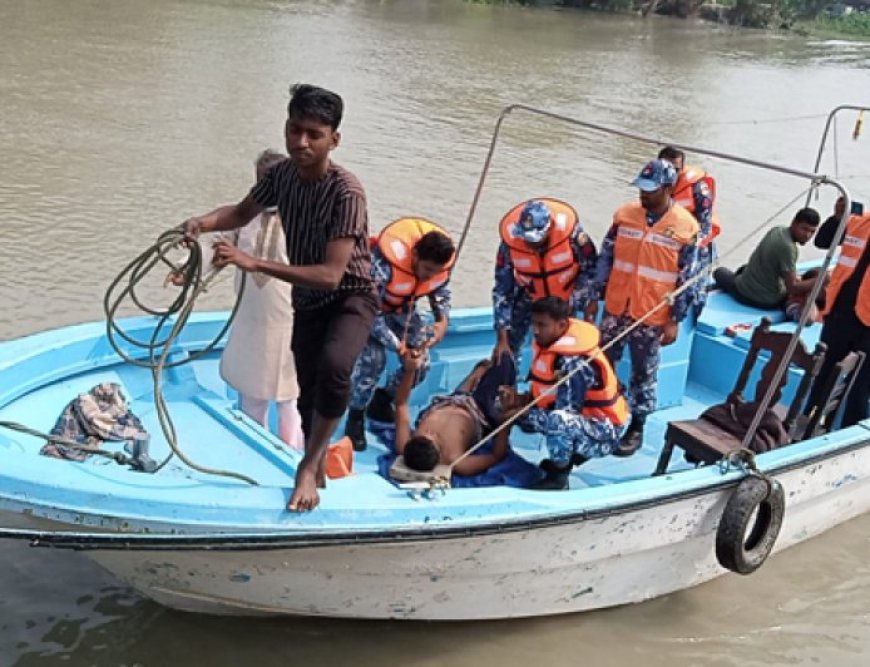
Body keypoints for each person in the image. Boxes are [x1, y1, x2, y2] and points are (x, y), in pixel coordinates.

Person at [182, 84, 378, 512]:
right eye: (294, 130)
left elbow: (330, 275)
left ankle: (308, 466)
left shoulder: (347, 192)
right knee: (306, 393)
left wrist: (254, 264)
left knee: (334, 368)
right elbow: (238, 213)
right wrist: (202, 221)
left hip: (350, 296)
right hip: (306, 299)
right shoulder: (280, 176)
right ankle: (316, 459)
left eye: (313, 134)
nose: (300, 142)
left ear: (334, 139)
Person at [587, 159, 700, 456]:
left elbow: (686, 279)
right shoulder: (625, 216)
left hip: (651, 314)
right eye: (641, 189)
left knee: (643, 373)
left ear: (666, 188)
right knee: (602, 363)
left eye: (650, 191)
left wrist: (674, 319)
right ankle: (600, 412)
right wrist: (592, 297)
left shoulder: (686, 228)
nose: (643, 196)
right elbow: (606, 259)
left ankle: (636, 425)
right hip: (616, 305)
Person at [216, 149, 304, 448]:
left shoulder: (306, 220)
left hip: (290, 320)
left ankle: (292, 454)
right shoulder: (243, 217)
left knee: (289, 397)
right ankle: (255, 449)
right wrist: (186, 271)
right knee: (251, 392)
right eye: (259, 184)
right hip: (250, 319)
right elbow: (218, 248)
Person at [345, 218, 455, 451]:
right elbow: (370, 314)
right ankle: (355, 414)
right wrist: (397, 346)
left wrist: (442, 322)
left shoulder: (436, 272)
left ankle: (384, 399)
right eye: (426, 269)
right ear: (414, 255)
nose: (428, 276)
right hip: (367, 313)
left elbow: (440, 292)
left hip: (402, 311)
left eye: (434, 272)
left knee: (420, 363)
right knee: (374, 361)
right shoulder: (382, 265)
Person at [501, 297, 630, 490]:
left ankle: (559, 476)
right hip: (583, 419)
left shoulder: (573, 364)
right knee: (515, 411)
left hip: (604, 428)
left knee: (558, 421)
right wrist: (519, 402)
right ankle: (563, 458)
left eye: (542, 325)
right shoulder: (550, 345)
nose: (535, 331)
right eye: (534, 324)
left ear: (562, 325)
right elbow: (546, 393)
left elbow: (566, 414)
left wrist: (522, 413)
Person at [492, 198, 597, 365]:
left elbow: (591, 269)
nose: (529, 244)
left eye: (534, 239)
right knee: (506, 351)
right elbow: (502, 289)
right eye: (526, 238)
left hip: (564, 299)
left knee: (562, 351)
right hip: (529, 294)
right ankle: (507, 384)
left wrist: (576, 301)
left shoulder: (573, 236)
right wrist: (501, 338)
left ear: (548, 229)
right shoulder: (509, 244)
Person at [394, 350, 515, 476]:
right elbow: (496, 456)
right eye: (435, 438)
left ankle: (475, 376)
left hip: (446, 402)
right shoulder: (458, 462)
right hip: (477, 411)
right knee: (505, 360)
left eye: (424, 434)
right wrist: (505, 422)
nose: (431, 432)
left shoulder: (404, 446)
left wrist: (410, 371)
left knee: (462, 392)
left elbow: (401, 404)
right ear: (440, 456)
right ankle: (477, 378)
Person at [808, 200, 870, 427]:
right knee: (822, 376)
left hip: (868, 327)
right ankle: (808, 425)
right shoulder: (860, 222)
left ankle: (850, 437)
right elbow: (823, 241)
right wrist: (837, 217)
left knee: (860, 387)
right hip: (840, 316)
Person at [713, 208, 821, 311]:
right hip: (764, 300)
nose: (807, 235)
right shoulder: (789, 248)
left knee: (720, 272)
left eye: (812, 232)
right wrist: (820, 280)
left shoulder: (777, 230)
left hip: (745, 287)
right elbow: (793, 288)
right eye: (804, 229)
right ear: (794, 223)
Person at [658, 146, 719, 308]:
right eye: (667, 169)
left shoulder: (698, 190)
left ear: (682, 169)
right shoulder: (653, 184)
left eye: (676, 170)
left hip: (696, 245)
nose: (671, 174)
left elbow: (705, 228)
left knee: (692, 291)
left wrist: (689, 253)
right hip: (665, 242)